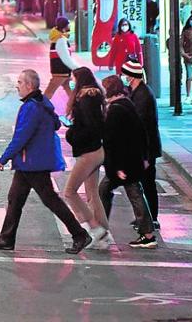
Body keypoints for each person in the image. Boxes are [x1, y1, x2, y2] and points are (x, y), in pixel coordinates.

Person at [0, 69, 93, 254]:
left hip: (33, 163)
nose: (16, 86)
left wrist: (3, 159)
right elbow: (55, 124)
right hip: (29, 162)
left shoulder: (31, 107)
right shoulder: (41, 103)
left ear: (29, 85)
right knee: (15, 199)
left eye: (19, 82)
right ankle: (6, 238)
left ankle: (79, 234)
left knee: (50, 199)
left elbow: (21, 137)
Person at [98, 74, 157, 248]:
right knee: (126, 193)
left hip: (123, 165)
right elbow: (142, 133)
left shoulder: (116, 110)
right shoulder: (127, 104)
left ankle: (145, 233)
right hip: (131, 161)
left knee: (128, 194)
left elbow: (113, 142)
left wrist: (118, 167)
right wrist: (145, 157)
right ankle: (146, 233)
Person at [62, 68, 110, 248]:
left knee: (69, 192)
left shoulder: (86, 98)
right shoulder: (94, 96)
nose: (72, 83)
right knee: (92, 194)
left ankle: (95, 227)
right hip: (97, 149)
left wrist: (72, 133)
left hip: (89, 152)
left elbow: (90, 126)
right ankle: (104, 235)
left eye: (74, 80)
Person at [122, 59, 161, 229]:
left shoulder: (143, 96)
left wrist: (144, 156)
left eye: (125, 74)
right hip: (142, 149)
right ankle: (144, 217)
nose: (123, 77)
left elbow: (144, 129)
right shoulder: (136, 92)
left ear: (132, 76)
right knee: (141, 184)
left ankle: (151, 218)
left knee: (147, 184)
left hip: (146, 149)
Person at [44, 16, 82, 112]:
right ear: (64, 26)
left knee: (70, 90)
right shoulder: (61, 40)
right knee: (49, 93)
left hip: (61, 71)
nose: (70, 26)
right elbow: (66, 58)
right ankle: (39, 108)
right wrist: (78, 68)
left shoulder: (57, 38)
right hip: (60, 72)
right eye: (68, 24)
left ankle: (76, 107)